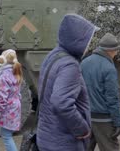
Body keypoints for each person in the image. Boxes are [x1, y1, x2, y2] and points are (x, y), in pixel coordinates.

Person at [37, 14, 98, 151]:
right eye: (87, 40)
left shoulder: (52, 56)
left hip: (48, 136)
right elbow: (61, 102)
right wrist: (82, 129)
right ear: (77, 40)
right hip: (64, 141)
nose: (89, 44)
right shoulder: (70, 65)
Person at [81, 33, 120, 151]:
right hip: (104, 120)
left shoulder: (84, 63)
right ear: (111, 50)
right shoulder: (109, 68)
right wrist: (118, 122)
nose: (116, 53)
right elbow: (112, 98)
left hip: (86, 117)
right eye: (116, 50)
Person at [0, 49, 22, 151]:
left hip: (8, 109)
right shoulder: (15, 72)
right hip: (15, 106)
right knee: (8, 134)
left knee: (6, 136)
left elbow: (2, 96)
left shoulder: (3, 75)